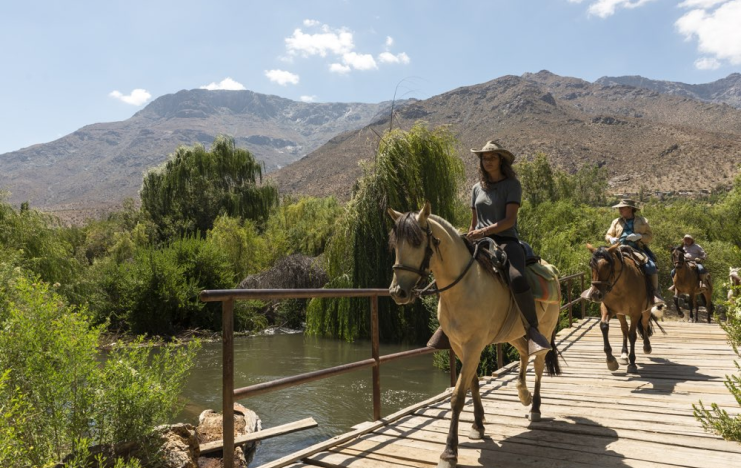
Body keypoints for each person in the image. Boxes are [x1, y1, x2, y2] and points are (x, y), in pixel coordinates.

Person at [426, 140, 551, 357]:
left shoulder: (512, 185)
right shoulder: (476, 188)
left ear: (501, 161)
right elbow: (473, 222)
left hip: (506, 241)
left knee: (517, 277)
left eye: (492, 157)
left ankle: (532, 330)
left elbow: (509, 221)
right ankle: (446, 328)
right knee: (448, 274)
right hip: (478, 242)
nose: (488, 161)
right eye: (484, 158)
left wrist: (482, 232)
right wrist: (470, 235)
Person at [605, 199, 665, 307]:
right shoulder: (616, 222)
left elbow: (650, 236)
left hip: (636, 249)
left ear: (630, 208)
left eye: (622, 208)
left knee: (651, 266)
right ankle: (597, 290)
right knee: (601, 264)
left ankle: (654, 294)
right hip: (618, 248)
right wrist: (611, 239)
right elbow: (608, 235)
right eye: (620, 208)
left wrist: (639, 236)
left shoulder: (643, 221)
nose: (620, 210)